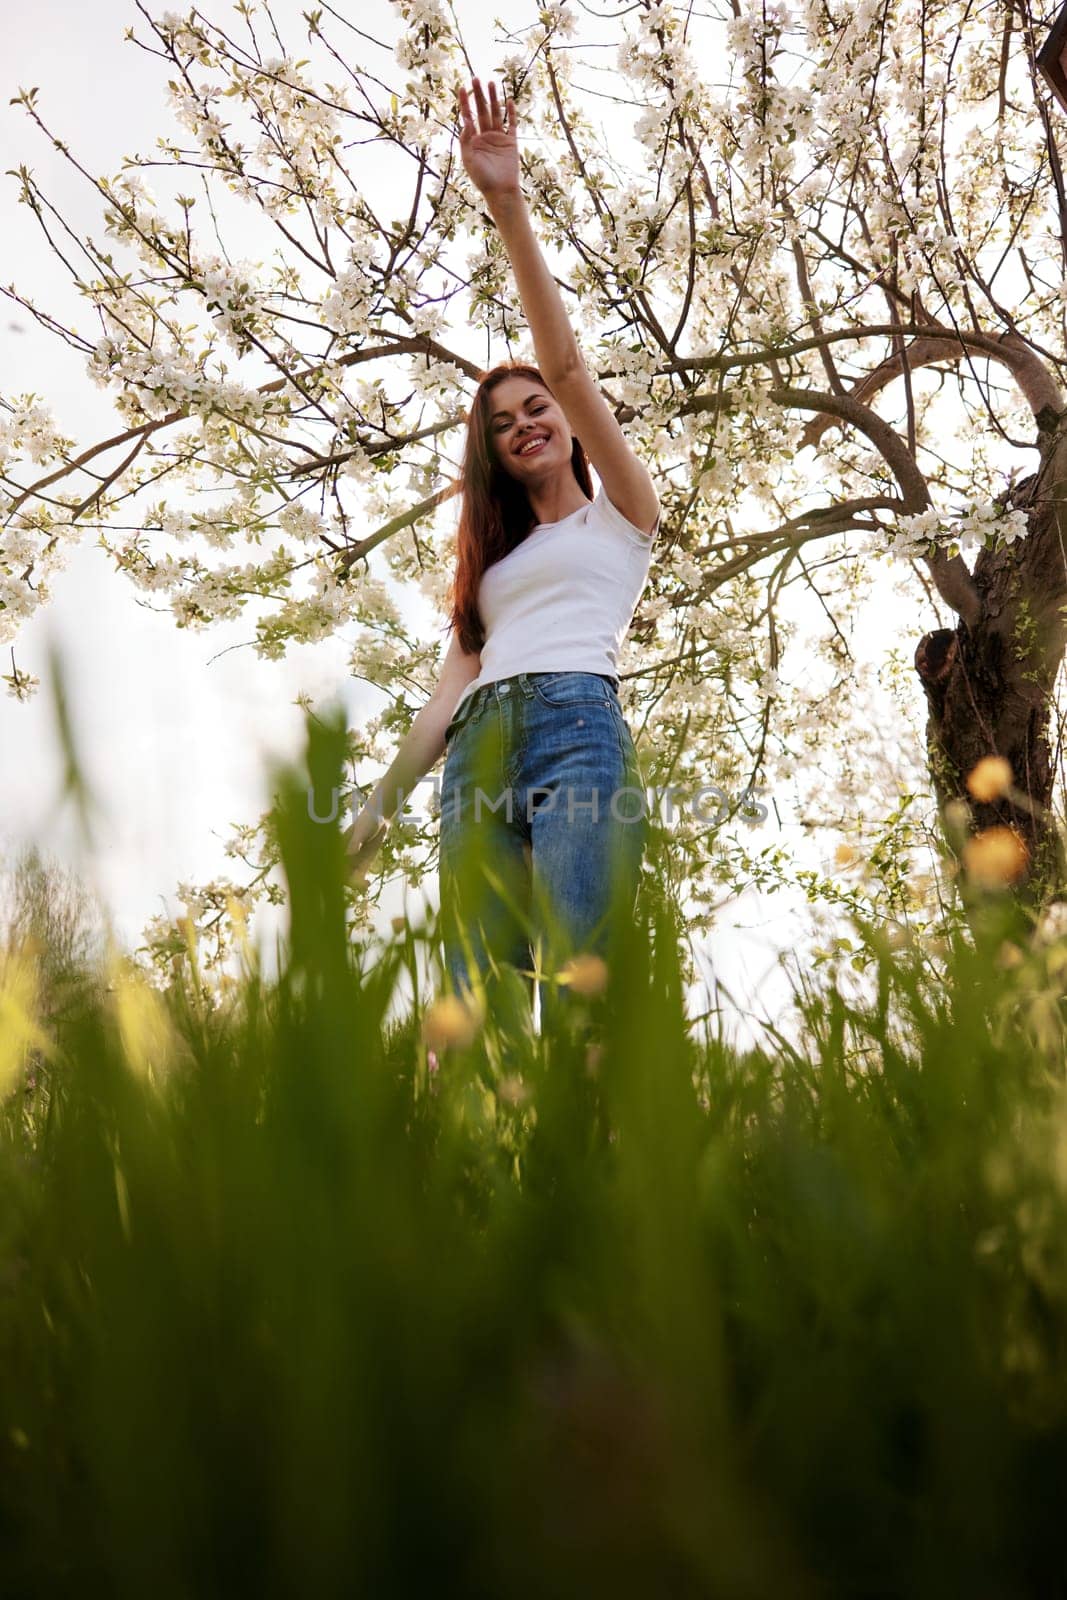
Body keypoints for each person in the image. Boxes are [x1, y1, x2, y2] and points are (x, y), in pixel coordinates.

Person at [343, 75, 659, 1026]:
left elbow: (563, 363)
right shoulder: (489, 572)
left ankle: (585, 1166)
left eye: (535, 409)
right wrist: (381, 803)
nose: (525, 423)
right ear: (489, 453)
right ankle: (478, 1172)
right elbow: (449, 691)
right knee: (472, 1004)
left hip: (575, 728)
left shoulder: (624, 517)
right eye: (502, 423)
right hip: (476, 753)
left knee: (577, 981)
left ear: (564, 422)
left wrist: (506, 203)